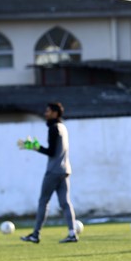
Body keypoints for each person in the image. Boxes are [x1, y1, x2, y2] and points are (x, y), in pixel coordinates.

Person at [19, 102, 78, 244]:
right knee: (65, 203)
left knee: (43, 201)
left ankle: (35, 234)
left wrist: (34, 147)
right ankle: (72, 233)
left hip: (53, 171)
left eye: (48, 111)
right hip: (65, 169)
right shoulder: (63, 127)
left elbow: (51, 151)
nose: (45, 114)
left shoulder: (53, 128)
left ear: (55, 113)